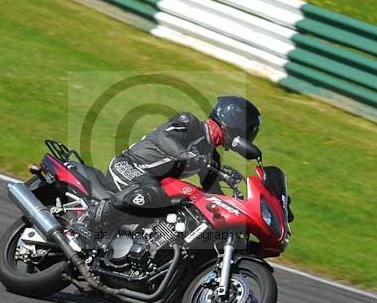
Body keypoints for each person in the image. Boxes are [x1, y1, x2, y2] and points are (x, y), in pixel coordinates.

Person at [72, 95, 261, 243]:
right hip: (129, 165)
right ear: (235, 122)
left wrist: (238, 206)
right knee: (150, 190)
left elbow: (212, 194)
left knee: (177, 209)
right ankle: (87, 219)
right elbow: (165, 140)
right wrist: (189, 156)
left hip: (151, 182)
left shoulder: (212, 157)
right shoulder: (189, 122)